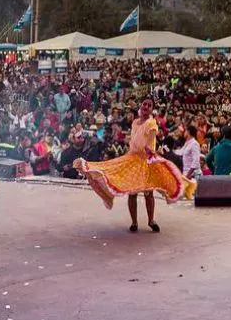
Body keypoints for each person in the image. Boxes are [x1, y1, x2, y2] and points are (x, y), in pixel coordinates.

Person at [74, 98, 195, 232]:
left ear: (151, 109)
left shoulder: (152, 123)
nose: (146, 107)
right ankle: (134, 222)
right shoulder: (135, 122)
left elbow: (150, 143)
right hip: (132, 159)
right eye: (145, 104)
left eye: (149, 105)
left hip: (146, 161)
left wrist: (150, 150)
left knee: (148, 193)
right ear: (141, 106)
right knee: (132, 192)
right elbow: (133, 141)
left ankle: (151, 220)